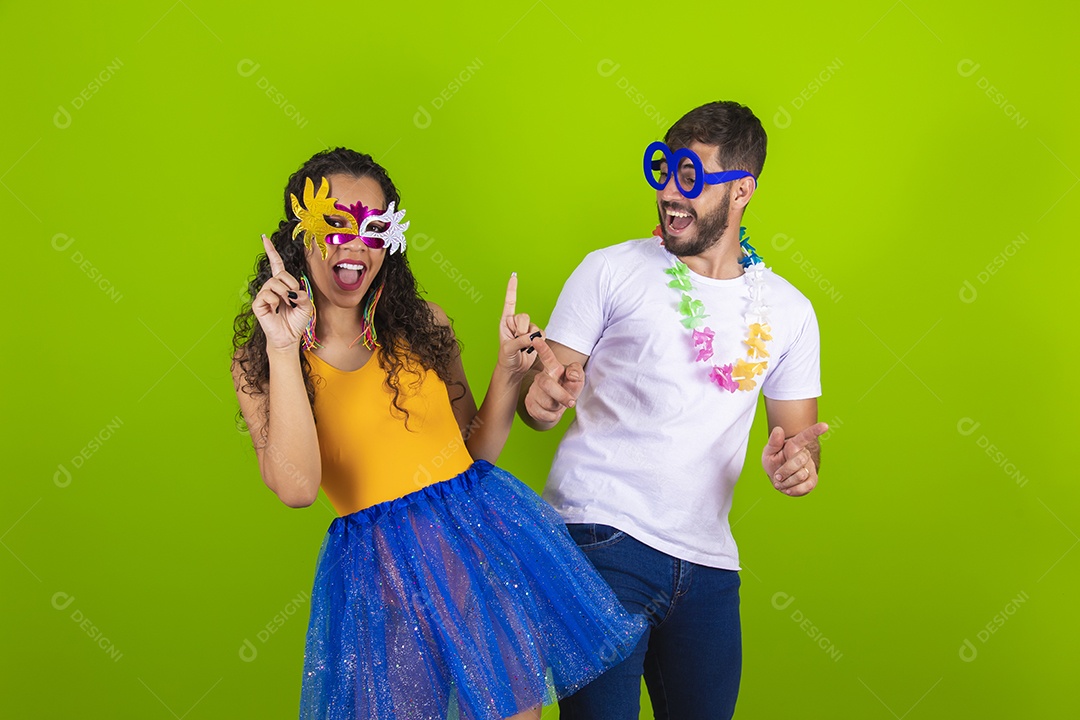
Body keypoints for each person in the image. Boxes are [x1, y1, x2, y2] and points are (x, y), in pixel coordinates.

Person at [230, 148, 645, 720]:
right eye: (333, 224)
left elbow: (473, 452)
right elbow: (298, 488)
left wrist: (508, 370)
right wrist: (283, 344)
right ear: (299, 234)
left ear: (390, 240)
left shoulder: (426, 325)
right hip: (381, 576)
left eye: (372, 229)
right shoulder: (263, 359)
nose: (354, 244)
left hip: (474, 546)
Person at [518, 101, 828, 719]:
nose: (668, 193)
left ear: (742, 190)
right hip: (602, 539)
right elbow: (539, 394)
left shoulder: (789, 311)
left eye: (690, 177)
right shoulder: (613, 269)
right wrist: (542, 397)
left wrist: (798, 463)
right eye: (662, 170)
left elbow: (800, 437)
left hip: (709, 564)